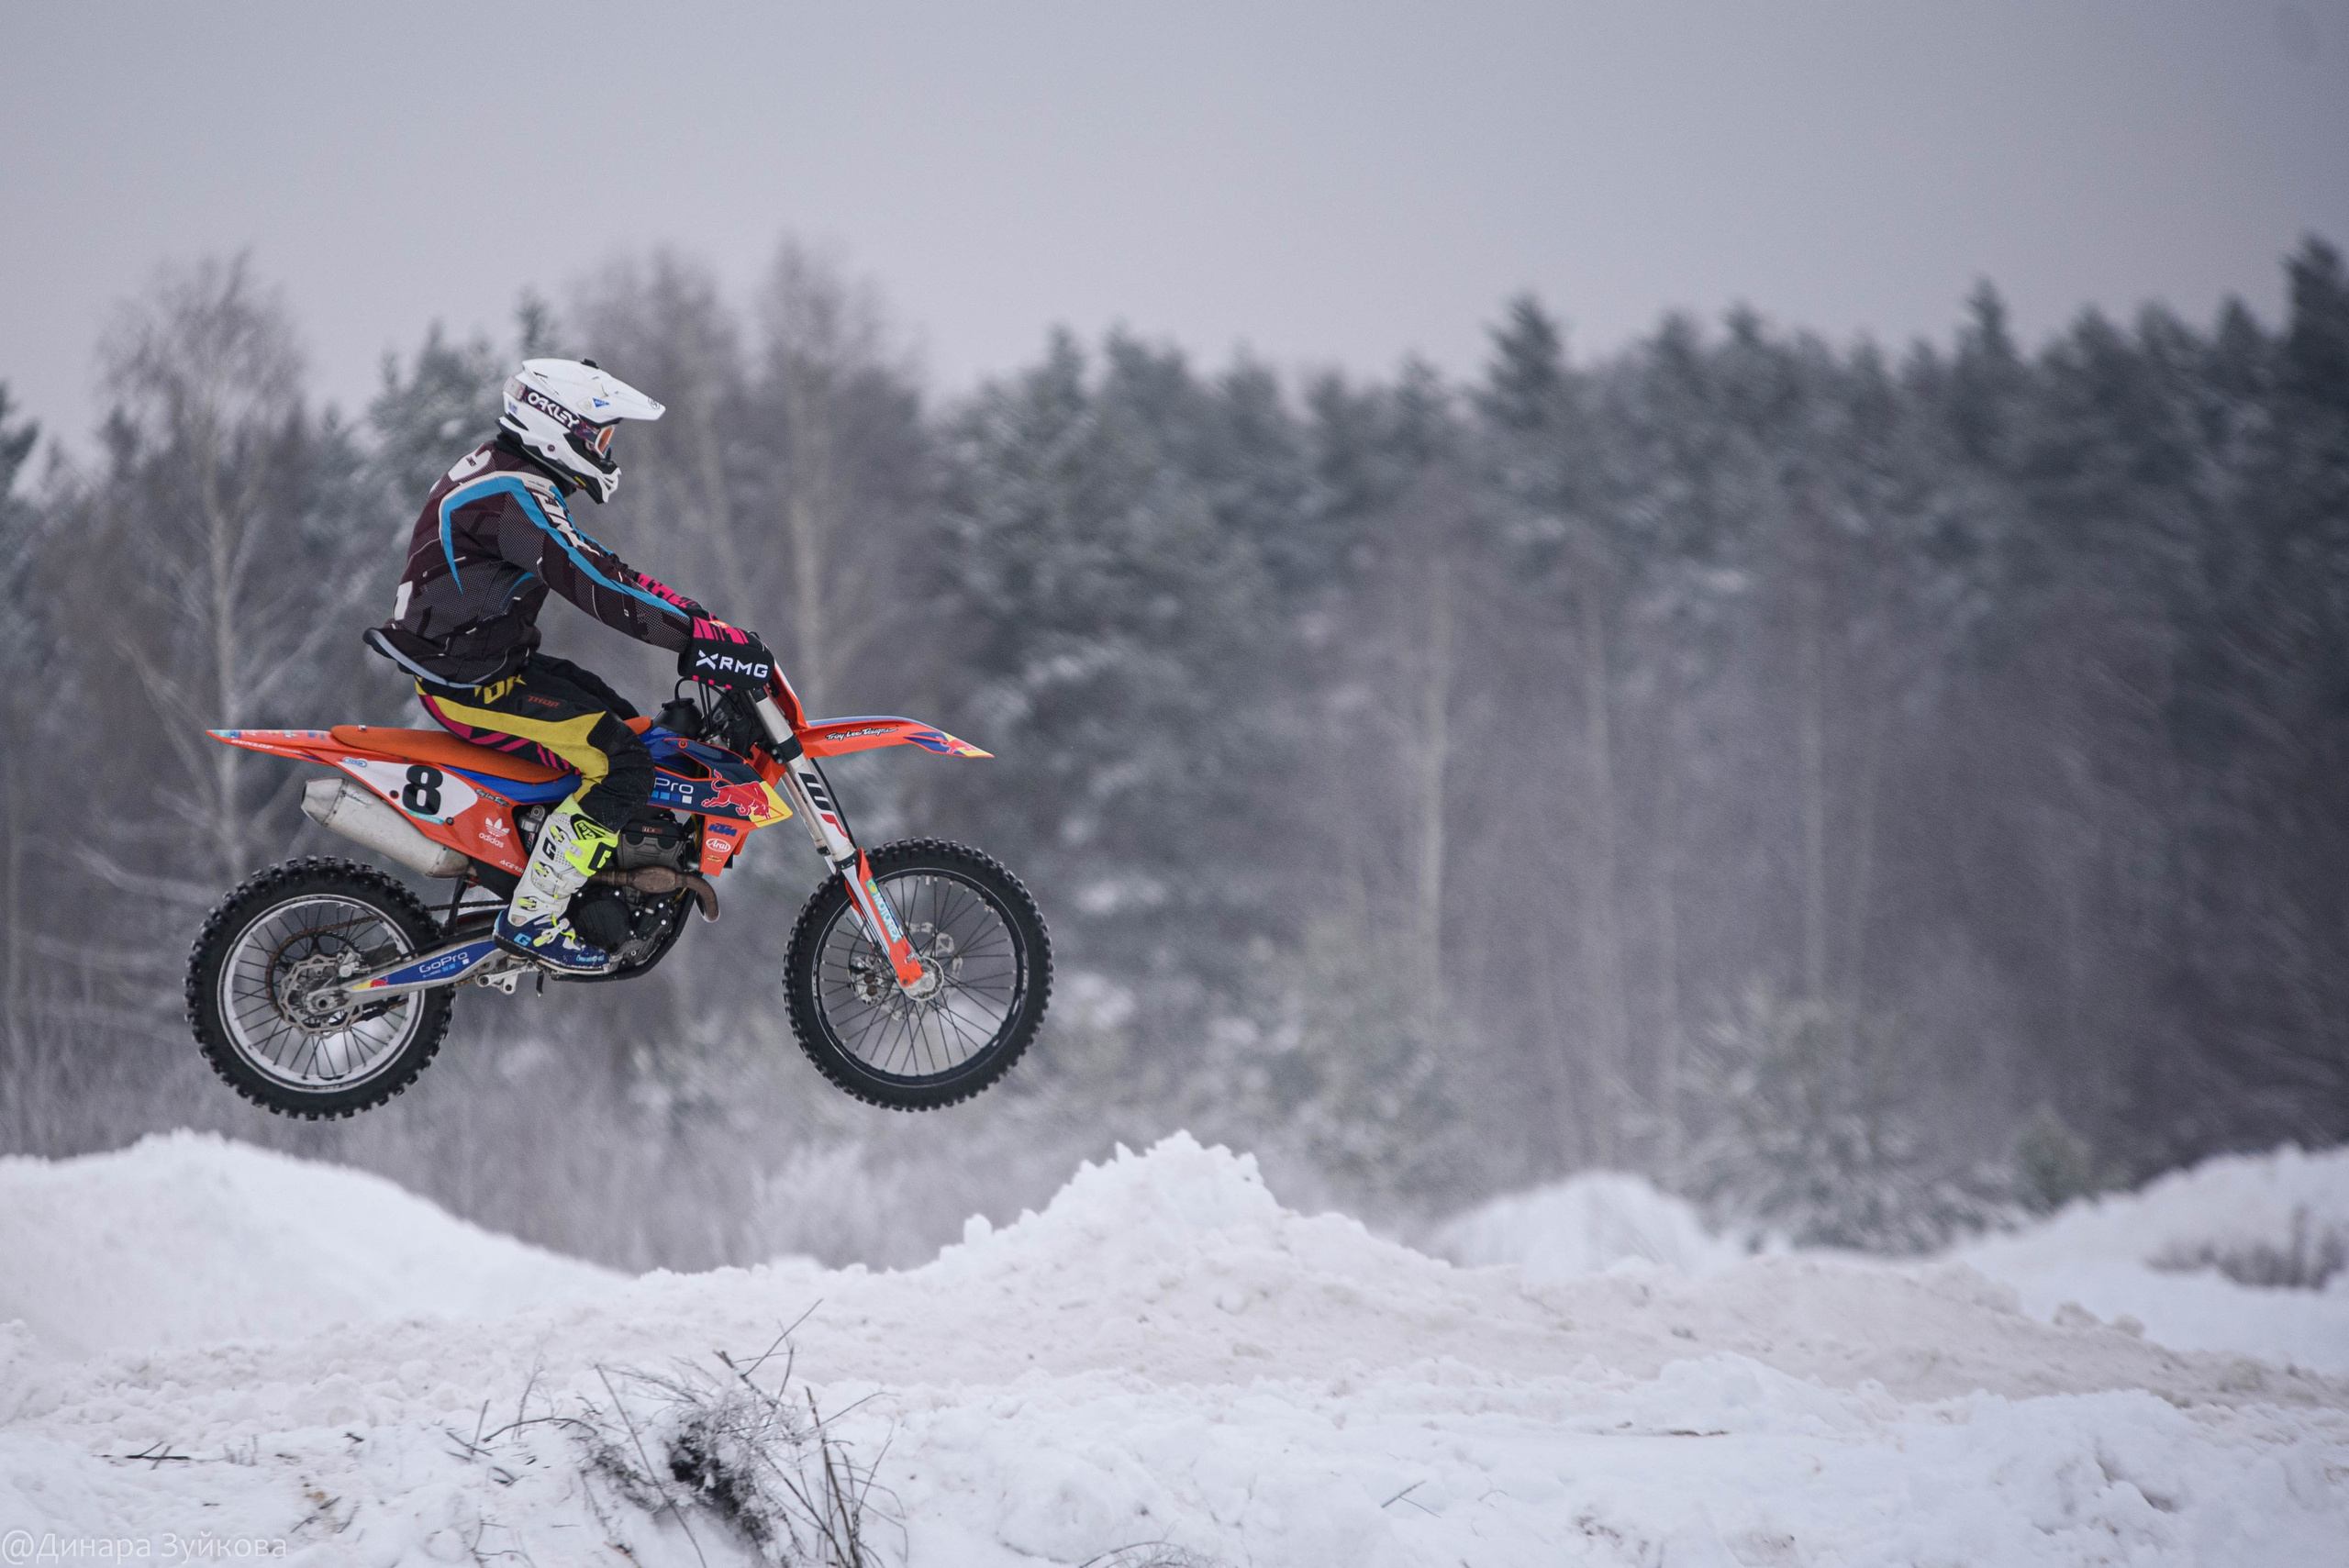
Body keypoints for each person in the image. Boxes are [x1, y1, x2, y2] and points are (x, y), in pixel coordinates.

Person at [366, 358, 774, 973]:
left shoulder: (511, 476)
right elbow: (595, 584)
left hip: (486, 666)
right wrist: (695, 637)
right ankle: (533, 916)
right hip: (473, 684)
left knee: (627, 723)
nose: (607, 452)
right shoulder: (513, 495)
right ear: (562, 423)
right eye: (602, 436)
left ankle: (578, 869)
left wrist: (702, 624)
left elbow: (606, 569)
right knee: (623, 763)